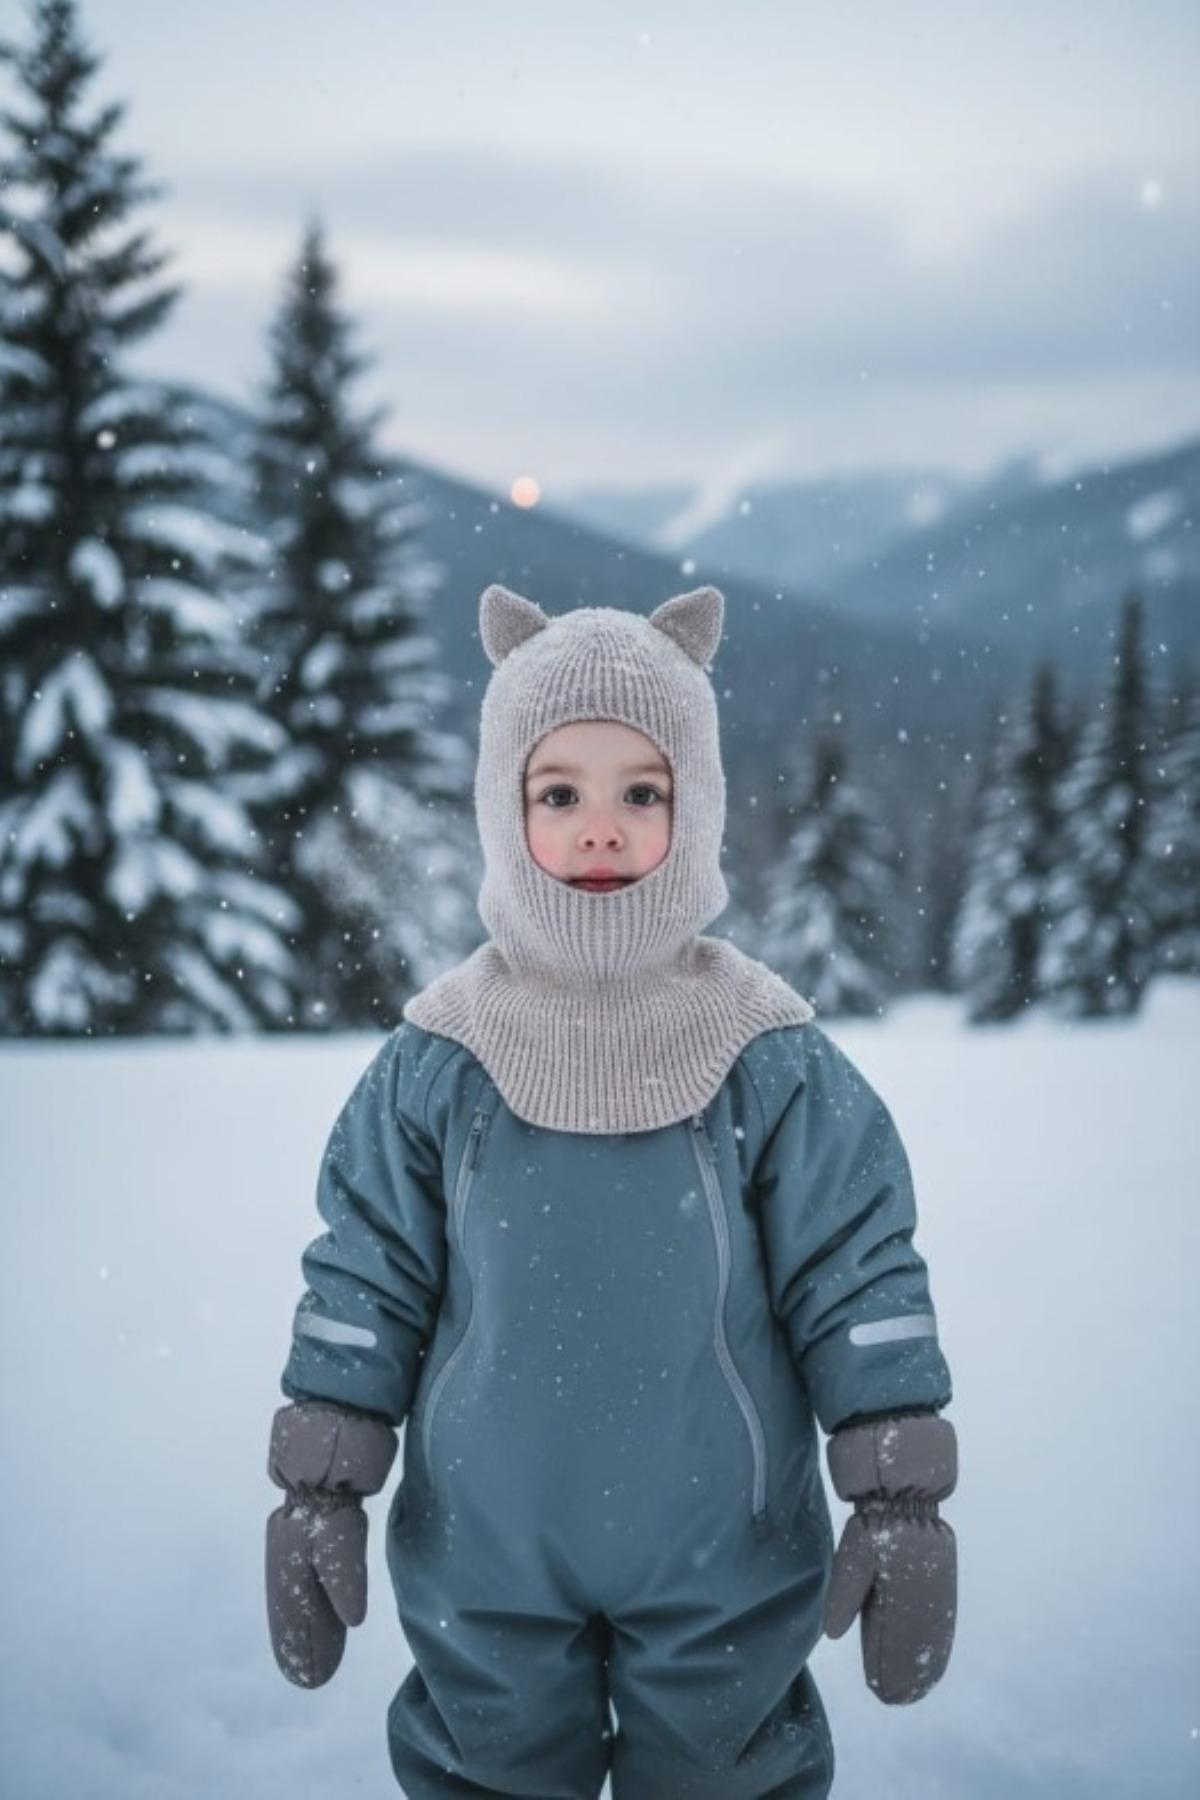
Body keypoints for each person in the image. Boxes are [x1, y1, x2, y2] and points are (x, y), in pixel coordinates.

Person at [266, 585, 957, 1799]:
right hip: (485, 1546)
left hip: (722, 1549)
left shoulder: (765, 1054)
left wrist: (897, 1488)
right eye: (558, 793)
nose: (601, 829)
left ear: (695, 810)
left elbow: (859, 1268)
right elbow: (365, 1266)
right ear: (502, 807)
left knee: (722, 1770)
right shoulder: (442, 1055)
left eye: (642, 792)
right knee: (485, 1766)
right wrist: (322, 1471)